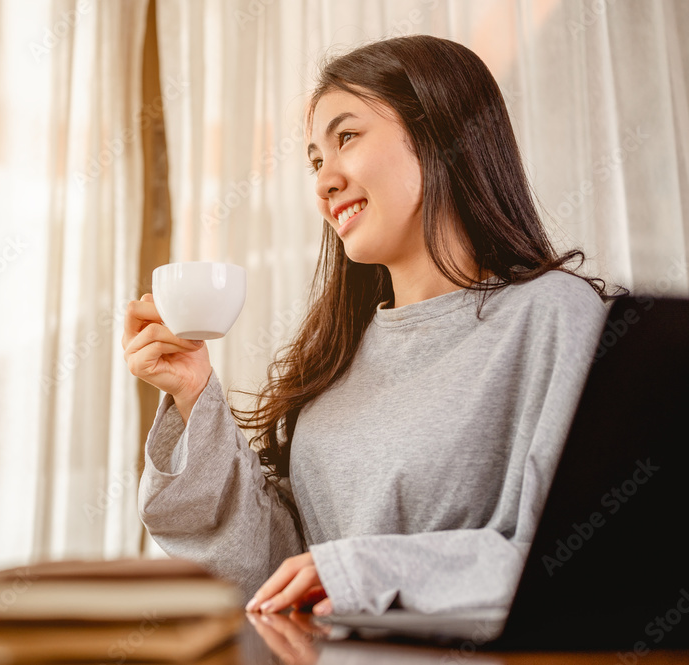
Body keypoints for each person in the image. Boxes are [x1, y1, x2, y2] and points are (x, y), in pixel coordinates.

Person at [121, 35, 614, 618]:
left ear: (443, 136)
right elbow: (277, 574)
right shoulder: (337, 357)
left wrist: (363, 570)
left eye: (347, 138)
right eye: (315, 161)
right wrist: (193, 393)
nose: (323, 181)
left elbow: (589, 558)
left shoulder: (552, 315)